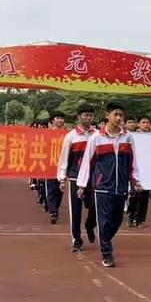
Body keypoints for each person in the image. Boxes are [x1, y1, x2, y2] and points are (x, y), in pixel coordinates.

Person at [77, 102, 141, 267]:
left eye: (121, 115)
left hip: (121, 187)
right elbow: (87, 162)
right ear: (107, 116)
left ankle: (91, 226)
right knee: (104, 221)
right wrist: (82, 185)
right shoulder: (96, 138)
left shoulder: (128, 137)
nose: (119, 118)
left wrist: (135, 180)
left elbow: (132, 162)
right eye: (115, 114)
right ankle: (107, 253)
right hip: (102, 187)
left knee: (117, 220)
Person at [57, 103, 97, 252]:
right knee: (76, 210)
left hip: (93, 178)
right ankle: (76, 239)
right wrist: (62, 178)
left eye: (90, 115)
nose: (88, 118)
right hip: (75, 178)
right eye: (85, 115)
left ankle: (90, 225)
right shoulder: (71, 137)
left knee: (95, 207)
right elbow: (64, 159)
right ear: (79, 117)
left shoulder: (97, 134)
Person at [127, 116, 150, 227]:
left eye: (147, 122)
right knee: (134, 194)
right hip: (135, 170)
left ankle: (140, 219)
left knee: (145, 195)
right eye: (143, 122)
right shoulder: (132, 137)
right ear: (138, 124)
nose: (146, 124)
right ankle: (131, 216)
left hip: (147, 169)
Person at [45, 111, 66, 224]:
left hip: (62, 166)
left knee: (60, 190)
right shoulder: (47, 134)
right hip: (50, 165)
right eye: (57, 118)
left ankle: (55, 209)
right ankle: (53, 211)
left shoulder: (67, 135)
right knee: (51, 189)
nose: (60, 120)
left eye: (61, 118)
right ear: (53, 120)